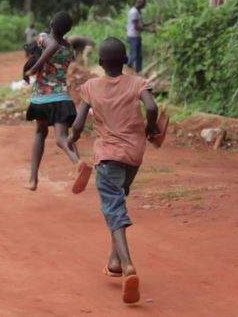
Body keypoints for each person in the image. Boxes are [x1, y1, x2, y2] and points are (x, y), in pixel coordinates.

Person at [68, 37, 164, 304]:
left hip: (109, 155)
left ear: (100, 63)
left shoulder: (90, 87)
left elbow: (77, 124)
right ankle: (114, 262)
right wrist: (150, 127)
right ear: (125, 61)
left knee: (113, 209)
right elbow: (153, 107)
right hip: (134, 155)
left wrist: (71, 138)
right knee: (117, 204)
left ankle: (128, 266)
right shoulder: (136, 83)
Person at [23, 11, 92, 192]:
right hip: (61, 98)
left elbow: (51, 46)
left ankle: (33, 179)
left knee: (40, 132)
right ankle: (78, 162)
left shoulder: (44, 37)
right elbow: (57, 49)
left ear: (51, 23)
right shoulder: (69, 48)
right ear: (68, 29)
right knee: (62, 137)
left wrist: (33, 70)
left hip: (42, 98)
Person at [126, 0, 148, 73]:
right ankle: (127, 70)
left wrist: (151, 24)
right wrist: (149, 30)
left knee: (139, 56)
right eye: (144, 4)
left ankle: (139, 72)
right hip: (133, 36)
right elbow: (137, 27)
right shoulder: (134, 12)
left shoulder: (138, 11)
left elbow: (141, 24)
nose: (144, 6)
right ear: (140, 3)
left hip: (136, 36)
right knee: (134, 55)